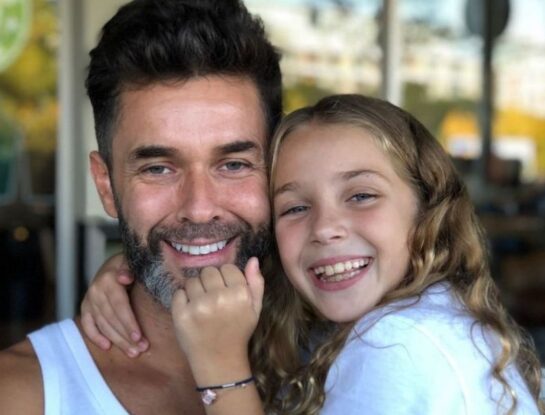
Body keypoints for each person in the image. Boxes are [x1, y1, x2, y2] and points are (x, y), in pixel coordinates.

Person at [83, 94, 544, 414]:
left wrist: (220, 366)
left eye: (361, 196)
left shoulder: (398, 344)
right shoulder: (422, 318)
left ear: (427, 207)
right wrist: (144, 270)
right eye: (295, 208)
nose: (324, 228)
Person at [0, 0, 282, 413]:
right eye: (158, 169)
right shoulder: (20, 396)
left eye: (234, 164)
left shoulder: (344, 359)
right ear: (106, 185)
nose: (199, 208)